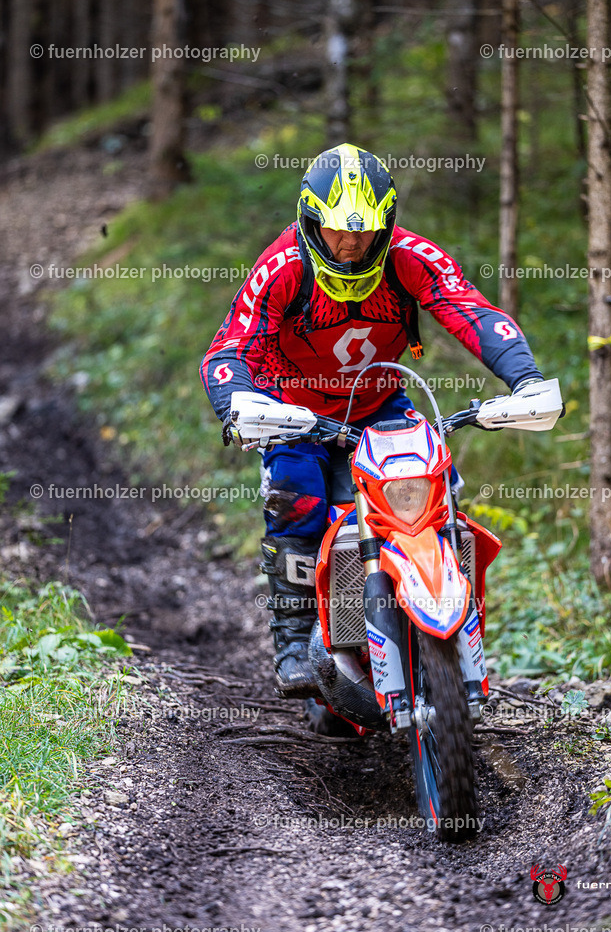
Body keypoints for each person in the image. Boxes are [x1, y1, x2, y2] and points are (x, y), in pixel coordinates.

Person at [200, 144, 544, 699]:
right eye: (336, 230)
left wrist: (524, 380)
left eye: (364, 230)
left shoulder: (411, 257)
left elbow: (471, 311)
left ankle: (455, 628)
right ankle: (292, 641)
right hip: (295, 411)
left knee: (439, 493)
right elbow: (228, 350)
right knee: (296, 498)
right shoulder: (282, 268)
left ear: (387, 223)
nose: (351, 243)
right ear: (311, 221)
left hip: (379, 404)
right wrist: (239, 405)